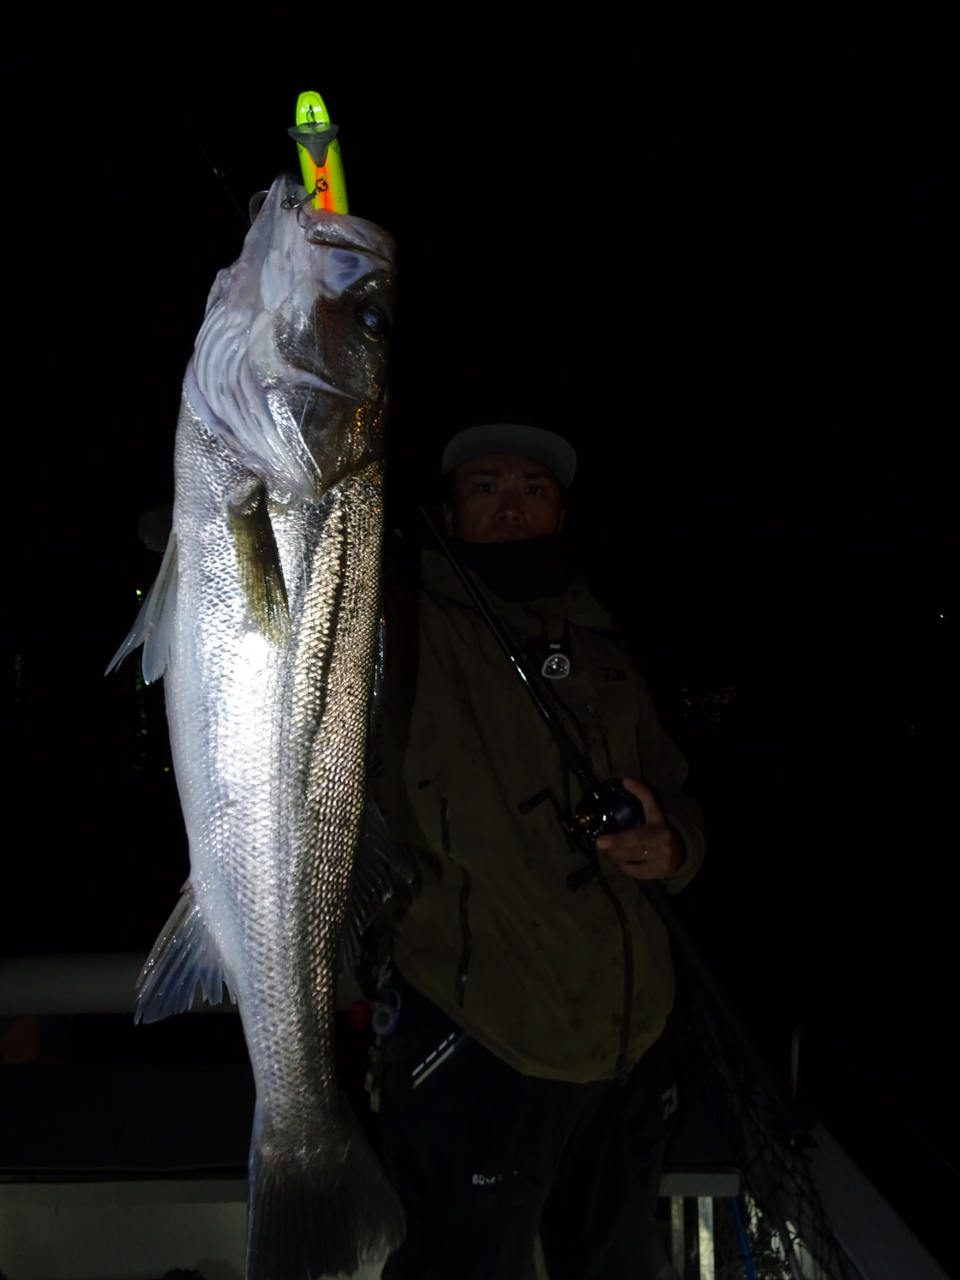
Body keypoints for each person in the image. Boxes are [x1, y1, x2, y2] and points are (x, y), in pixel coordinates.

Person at [371, 422, 705, 1280]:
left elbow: (678, 792)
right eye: (485, 488)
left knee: (615, 1264)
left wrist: (673, 844)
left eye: (534, 489)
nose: (512, 508)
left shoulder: (607, 652)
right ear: (449, 513)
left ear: (561, 512)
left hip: (631, 1047)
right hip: (482, 1042)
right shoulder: (396, 628)